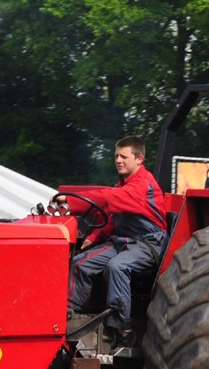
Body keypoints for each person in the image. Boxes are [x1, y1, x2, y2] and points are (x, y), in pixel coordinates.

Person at [55, 136, 167, 349]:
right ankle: (73, 317)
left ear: (139, 159)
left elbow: (108, 199)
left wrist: (69, 200)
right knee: (80, 263)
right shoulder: (124, 184)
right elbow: (114, 217)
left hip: (148, 244)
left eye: (123, 156)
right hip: (123, 240)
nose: (118, 160)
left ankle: (121, 328)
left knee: (117, 267)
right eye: (116, 156)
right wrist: (94, 237)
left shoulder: (142, 185)